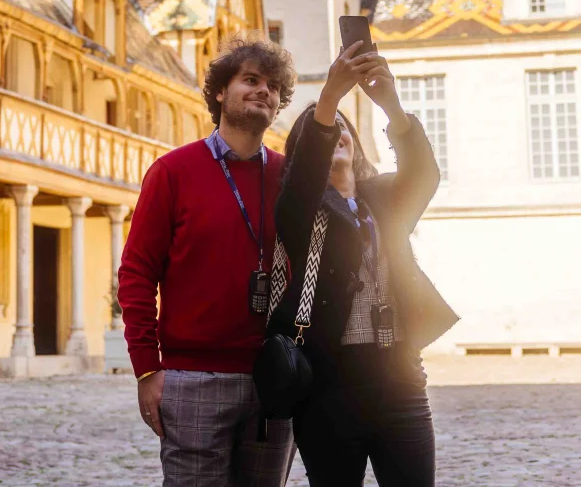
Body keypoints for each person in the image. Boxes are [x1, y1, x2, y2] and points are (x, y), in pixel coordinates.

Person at [270, 42, 457, 487]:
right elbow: (299, 189)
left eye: (344, 128)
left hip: (401, 384)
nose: (336, 132)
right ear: (305, 154)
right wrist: (330, 98)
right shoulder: (298, 208)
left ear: (355, 145)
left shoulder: (385, 200)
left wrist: (390, 103)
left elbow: (424, 175)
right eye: (324, 130)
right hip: (327, 392)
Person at [117, 36, 298, 486]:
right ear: (220, 91)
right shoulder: (172, 172)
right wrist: (147, 368)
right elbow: (137, 275)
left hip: (273, 378)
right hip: (193, 379)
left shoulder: (289, 177)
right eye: (250, 80)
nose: (264, 91)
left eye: (273, 86)